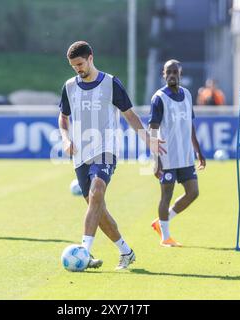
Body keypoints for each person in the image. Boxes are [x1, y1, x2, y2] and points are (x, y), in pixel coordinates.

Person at [58, 41, 166, 270]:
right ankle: (126, 251)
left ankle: (84, 252)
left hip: (106, 149)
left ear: (90, 58)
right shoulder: (69, 86)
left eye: (79, 63)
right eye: (73, 65)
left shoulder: (111, 83)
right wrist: (66, 139)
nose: (77, 68)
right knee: (97, 208)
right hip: (80, 155)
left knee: (97, 191)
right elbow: (63, 117)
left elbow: (129, 115)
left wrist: (148, 141)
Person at [149, 59, 206, 247]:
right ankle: (165, 237)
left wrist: (198, 151)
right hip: (167, 157)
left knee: (193, 192)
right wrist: (156, 159)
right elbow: (153, 129)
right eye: (168, 72)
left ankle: (161, 222)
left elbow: (190, 125)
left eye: (175, 71)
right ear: (163, 75)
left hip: (186, 156)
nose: (172, 75)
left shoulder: (188, 95)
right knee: (166, 195)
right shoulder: (159, 98)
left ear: (180, 74)